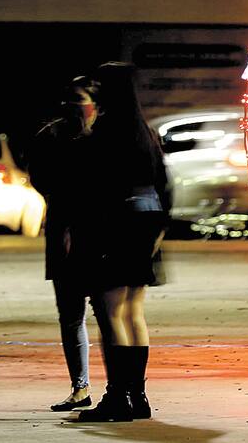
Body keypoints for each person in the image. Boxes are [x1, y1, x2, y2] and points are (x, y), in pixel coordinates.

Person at [76, 62, 170, 422]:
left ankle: (117, 397)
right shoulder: (145, 132)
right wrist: (160, 228)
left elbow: (95, 186)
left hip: (116, 222)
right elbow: (164, 182)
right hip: (147, 220)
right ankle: (138, 395)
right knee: (134, 311)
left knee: (110, 311)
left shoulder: (105, 131)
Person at [29, 76, 107, 412]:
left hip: (98, 233)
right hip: (65, 231)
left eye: (79, 99)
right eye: (69, 99)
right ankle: (81, 386)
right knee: (71, 314)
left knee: (107, 314)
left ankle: (119, 388)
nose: (72, 106)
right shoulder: (51, 135)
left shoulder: (107, 135)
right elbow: (40, 179)